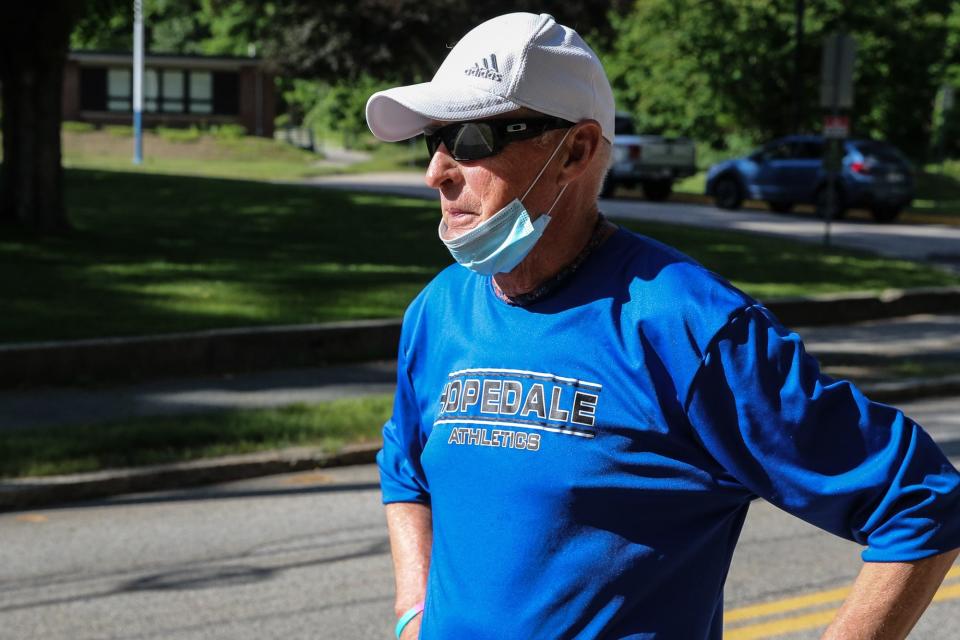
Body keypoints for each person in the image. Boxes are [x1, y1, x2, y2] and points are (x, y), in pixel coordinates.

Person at [365, 12, 960, 640]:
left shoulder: (688, 327)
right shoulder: (438, 310)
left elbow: (919, 501)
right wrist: (413, 613)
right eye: (433, 139)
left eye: (471, 139)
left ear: (576, 150)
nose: (437, 171)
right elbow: (404, 466)